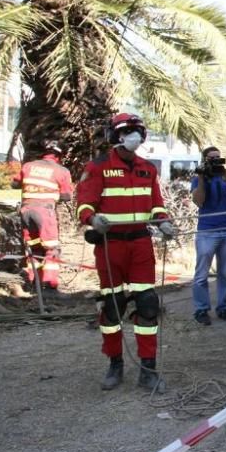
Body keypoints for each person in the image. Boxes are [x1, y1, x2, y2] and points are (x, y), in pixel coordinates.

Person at [76, 112, 175, 391]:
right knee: (112, 307)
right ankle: (115, 364)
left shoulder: (147, 168)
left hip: (141, 244)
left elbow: (156, 204)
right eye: (128, 131)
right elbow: (84, 203)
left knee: (147, 305)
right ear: (115, 135)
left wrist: (163, 221)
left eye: (138, 131)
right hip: (110, 246)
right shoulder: (98, 167)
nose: (135, 136)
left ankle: (148, 369)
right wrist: (93, 219)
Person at [191, 146, 226, 325]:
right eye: (211, 158)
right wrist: (201, 177)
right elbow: (199, 201)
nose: (215, 160)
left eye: (218, 157)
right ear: (205, 160)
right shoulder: (198, 179)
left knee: (225, 273)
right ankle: (201, 309)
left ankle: (223, 307)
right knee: (201, 275)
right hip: (207, 232)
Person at [12, 142, 73, 289]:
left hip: (26, 211)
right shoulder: (61, 171)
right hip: (45, 213)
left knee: (34, 248)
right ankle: (50, 286)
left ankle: (34, 283)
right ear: (59, 156)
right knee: (52, 249)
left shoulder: (28, 166)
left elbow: (14, 184)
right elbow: (66, 196)